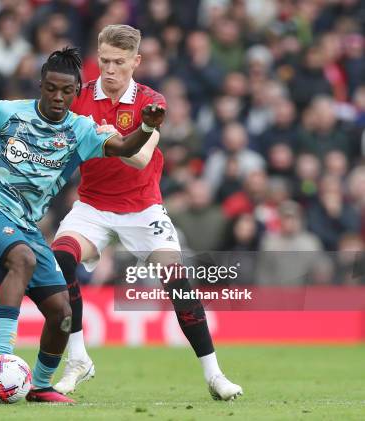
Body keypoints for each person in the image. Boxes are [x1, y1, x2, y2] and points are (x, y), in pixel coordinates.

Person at [0, 47, 164, 403]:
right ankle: (0, 358)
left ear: (77, 92)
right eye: (51, 89)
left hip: (25, 225)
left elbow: (126, 146)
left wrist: (147, 126)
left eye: (67, 91)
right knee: (24, 260)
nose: (59, 97)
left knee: (63, 313)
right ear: (41, 85)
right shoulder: (7, 112)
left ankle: (42, 385)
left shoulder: (81, 130)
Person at [52, 25, 242, 401]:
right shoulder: (79, 98)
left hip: (143, 208)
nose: (109, 69)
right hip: (92, 206)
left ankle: (214, 375)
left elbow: (140, 158)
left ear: (135, 62)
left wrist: (107, 136)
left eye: (118, 62)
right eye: (104, 60)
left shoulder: (152, 102)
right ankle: (77, 360)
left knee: (176, 278)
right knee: (59, 259)